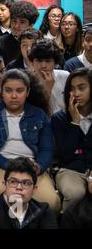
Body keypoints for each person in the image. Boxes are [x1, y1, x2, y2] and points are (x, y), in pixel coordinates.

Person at [0, 69, 61, 212]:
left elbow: (47, 149)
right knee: (2, 198)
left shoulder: (39, 115)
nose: (14, 96)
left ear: (27, 92)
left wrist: (38, 167)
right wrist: (10, 165)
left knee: (51, 202)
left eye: (19, 90)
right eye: (8, 90)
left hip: (32, 167)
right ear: (1, 92)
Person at [0, 157, 58, 229]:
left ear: (34, 189)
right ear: (5, 184)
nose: (19, 187)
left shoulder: (43, 212)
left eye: (26, 183)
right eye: (13, 182)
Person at [51, 68, 92, 211]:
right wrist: (75, 123)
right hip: (70, 170)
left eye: (82, 88)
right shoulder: (59, 119)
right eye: (72, 89)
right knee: (75, 193)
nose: (76, 94)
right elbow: (65, 156)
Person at [0, 0, 39, 65]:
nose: (16, 26)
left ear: (31, 25)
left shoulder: (38, 43)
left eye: (22, 22)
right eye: (14, 21)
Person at [29, 39, 69, 115]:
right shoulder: (27, 81)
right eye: (39, 61)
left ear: (55, 63)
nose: (43, 66)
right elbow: (36, 113)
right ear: (32, 62)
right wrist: (48, 88)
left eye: (48, 61)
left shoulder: (65, 76)